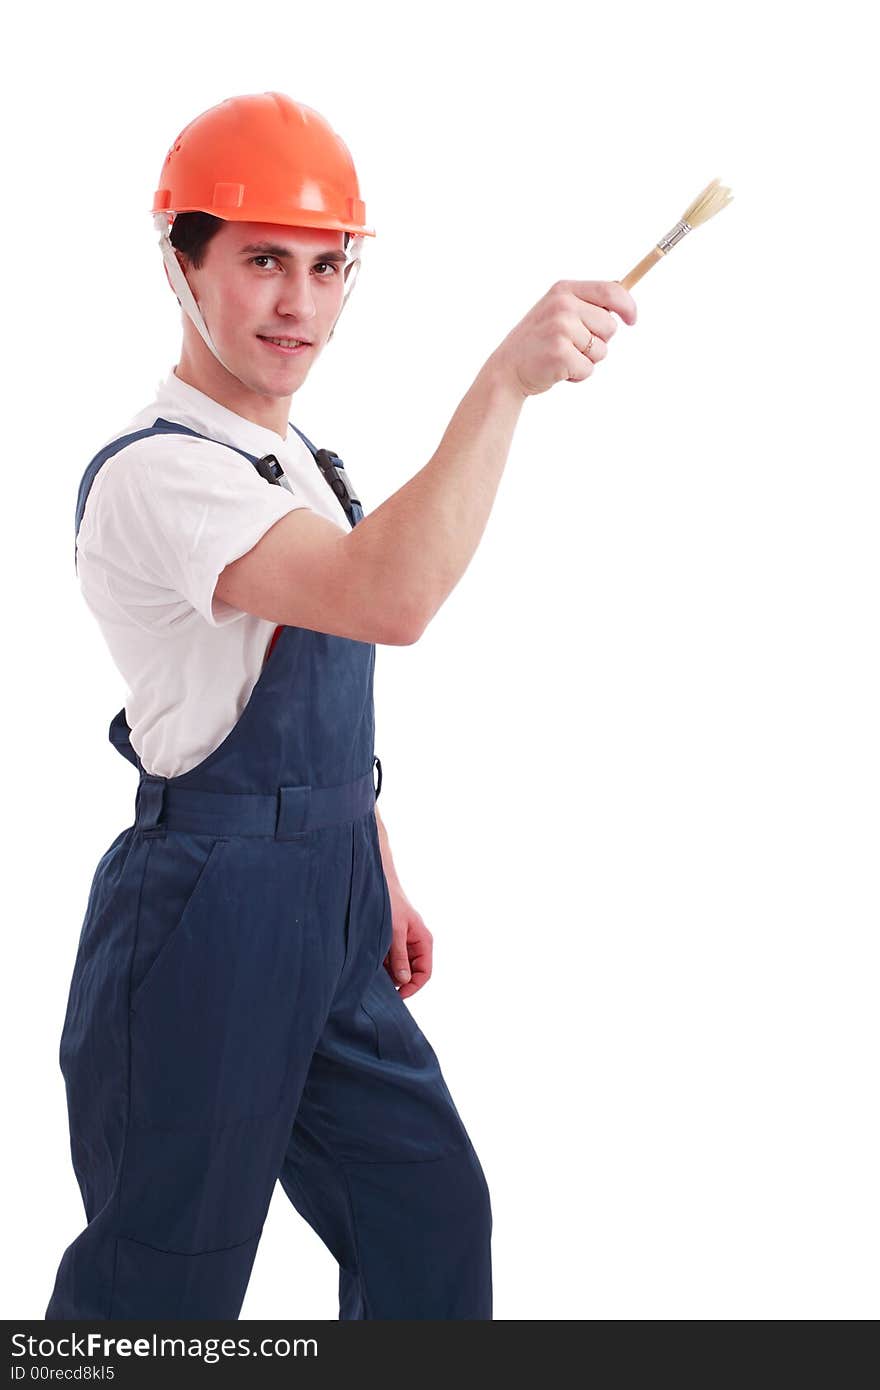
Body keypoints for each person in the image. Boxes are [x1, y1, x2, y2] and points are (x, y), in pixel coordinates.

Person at [45, 91, 637, 1321]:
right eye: (261, 260)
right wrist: (504, 385)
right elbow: (388, 598)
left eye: (325, 265)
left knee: (427, 1213)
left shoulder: (295, 458)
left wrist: (372, 868)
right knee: (168, 1281)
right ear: (181, 261)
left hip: (327, 896)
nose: (298, 303)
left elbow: (314, 703)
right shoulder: (162, 474)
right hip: (209, 914)